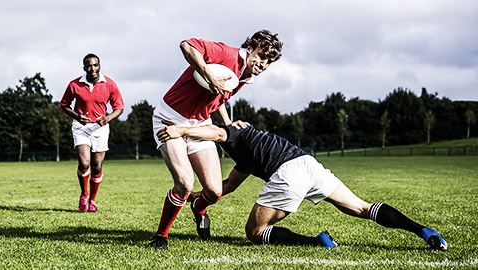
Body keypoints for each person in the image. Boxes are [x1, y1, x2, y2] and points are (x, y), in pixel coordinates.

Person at [156, 122, 448, 251]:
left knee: (254, 233)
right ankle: (423, 231)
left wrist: (182, 130)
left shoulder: (236, 134)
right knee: (361, 207)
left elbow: (218, 132)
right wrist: (196, 197)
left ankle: (316, 242)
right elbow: (228, 186)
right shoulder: (247, 155)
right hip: (309, 165)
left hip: (288, 173)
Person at [149, 30, 283, 250]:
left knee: (214, 191)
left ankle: (198, 207)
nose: (263, 63)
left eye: (269, 61)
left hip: (200, 124)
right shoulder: (227, 54)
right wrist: (207, 74)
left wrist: (227, 122)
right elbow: (186, 44)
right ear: (250, 47)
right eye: (261, 55)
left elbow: (219, 95)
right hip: (170, 119)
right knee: (184, 184)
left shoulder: (245, 74)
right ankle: (161, 236)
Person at [60, 53, 124, 213]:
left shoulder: (109, 84)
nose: (92, 68)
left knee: (97, 166)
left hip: (100, 129)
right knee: (84, 163)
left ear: (99, 66)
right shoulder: (75, 84)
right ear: (84, 68)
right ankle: (84, 194)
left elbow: (119, 107)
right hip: (81, 128)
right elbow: (64, 104)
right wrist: (77, 116)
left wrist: (107, 118)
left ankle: (93, 200)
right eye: (89, 65)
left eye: (95, 65)